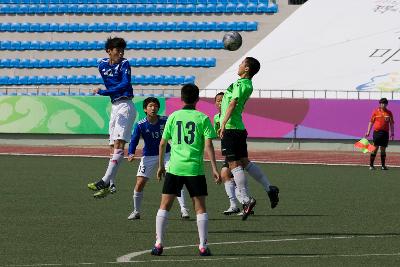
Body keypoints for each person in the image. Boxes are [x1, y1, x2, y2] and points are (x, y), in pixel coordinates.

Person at [151, 84, 221, 257]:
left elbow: (162, 143)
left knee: (164, 206)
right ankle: (203, 246)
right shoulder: (203, 118)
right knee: (200, 208)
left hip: (174, 168)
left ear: (181, 98)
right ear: (197, 99)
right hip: (194, 170)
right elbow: (208, 145)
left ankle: (159, 244)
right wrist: (214, 168)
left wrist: (161, 166)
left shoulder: (173, 117)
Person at [219, 57, 279, 221]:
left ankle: (246, 200)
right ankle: (269, 188)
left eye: (241, 63)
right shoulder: (247, 84)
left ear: (246, 69)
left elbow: (233, 102)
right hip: (239, 128)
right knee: (244, 162)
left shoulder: (241, 84)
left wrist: (223, 122)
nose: (238, 65)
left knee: (234, 165)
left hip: (231, 128)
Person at [87, 37, 136, 198]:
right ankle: (112, 185)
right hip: (115, 106)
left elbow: (124, 84)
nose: (121, 53)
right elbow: (112, 79)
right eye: (117, 50)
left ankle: (105, 180)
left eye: (122, 50)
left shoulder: (125, 63)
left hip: (125, 105)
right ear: (109, 51)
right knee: (112, 146)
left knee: (119, 144)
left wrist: (103, 91)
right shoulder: (101, 64)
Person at [127, 97, 190, 220]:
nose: (153, 108)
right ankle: (136, 211)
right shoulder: (140, 125)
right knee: (139, 183)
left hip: (167, 154)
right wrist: (131, 152)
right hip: (148, 156)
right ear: (145, 109)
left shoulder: (165, 120)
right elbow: (134, 140)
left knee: (175, 180)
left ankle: (184, 209)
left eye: (155, 106)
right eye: (150, 106)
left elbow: (177, 133)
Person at [365, 98, 395, 170]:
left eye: (384, 103)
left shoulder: (389, 113)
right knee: (374, 148)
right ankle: (371, 165)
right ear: (380, 104)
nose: (383, 105)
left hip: (385, 133)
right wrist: (368, 131)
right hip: (377, 132)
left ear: (387, 104)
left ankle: (383, 166)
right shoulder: (375, 111)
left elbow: (391, 124)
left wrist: (392, 133)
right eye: (382, 103)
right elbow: (371, 122)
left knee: (383, 149)